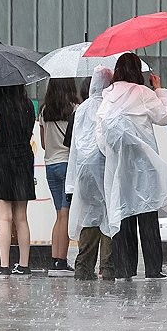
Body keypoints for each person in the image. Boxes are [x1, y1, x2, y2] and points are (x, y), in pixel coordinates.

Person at [96, 53, 167, 280]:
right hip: (144, 166)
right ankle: (153, 269)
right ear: (137, 71)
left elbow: (101, 136)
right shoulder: (143, 93)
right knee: (147, 216)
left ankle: (125, 269)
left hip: (120, 167)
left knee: (124, 215)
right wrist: (159, 89)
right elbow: (165, 116)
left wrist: (116, 153)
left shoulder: (108, 97)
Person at [0, 84, 37, 278]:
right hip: (23, 160)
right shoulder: (28, 105)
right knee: (21, 217)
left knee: (5, 216)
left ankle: (4, 266)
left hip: (3, 161)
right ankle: (24, 265)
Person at [67, 66, 114, 281]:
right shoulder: (110, 107)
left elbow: (75, 147)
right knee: (109, 219)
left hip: (85, 174)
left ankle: (83, 267)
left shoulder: (81, 109)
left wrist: (71, 183)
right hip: (106, 170)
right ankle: (108, 267)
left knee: (89, 219)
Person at [39, 78, 80, 277]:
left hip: (50, 166)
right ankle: (61, 262)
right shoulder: (75, 109)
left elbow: (44, 144)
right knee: (65, 215)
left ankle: (55, 259)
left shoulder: (45, 110)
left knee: (58, 214)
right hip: (67, 165)